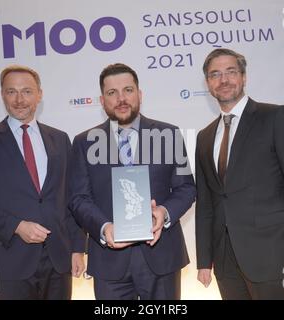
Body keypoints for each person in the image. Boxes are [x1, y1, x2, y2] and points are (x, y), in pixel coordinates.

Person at [195, 48, 284, 299]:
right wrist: (204, 259)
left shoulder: (275, 117)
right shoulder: (204, 136)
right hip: (225, 261)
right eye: (215, 74)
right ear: (208, 83)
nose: (224, 80)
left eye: (231, 72)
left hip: (274, 256)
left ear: (243, 77)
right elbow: (207, 204)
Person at [69, 63, 196, 300]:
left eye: (128, 90)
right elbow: (78, 199)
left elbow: (186, 188)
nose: (121, 99)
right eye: (111, 93)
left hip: (162, 258)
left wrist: (164, 212)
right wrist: (104, 227)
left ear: (140, 94)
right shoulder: (84, 143)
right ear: (102, 100)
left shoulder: (168, 135)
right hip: (109, 263)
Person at [0, 65, 86, 300]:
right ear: (2, 95)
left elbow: (71, 199)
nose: (19, 99)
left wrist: (78, 248)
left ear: (39, 94)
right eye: (11, 92)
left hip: (59, 262)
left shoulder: (59, 139)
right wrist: (17, 226)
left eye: (27, 91)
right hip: (8, 263)